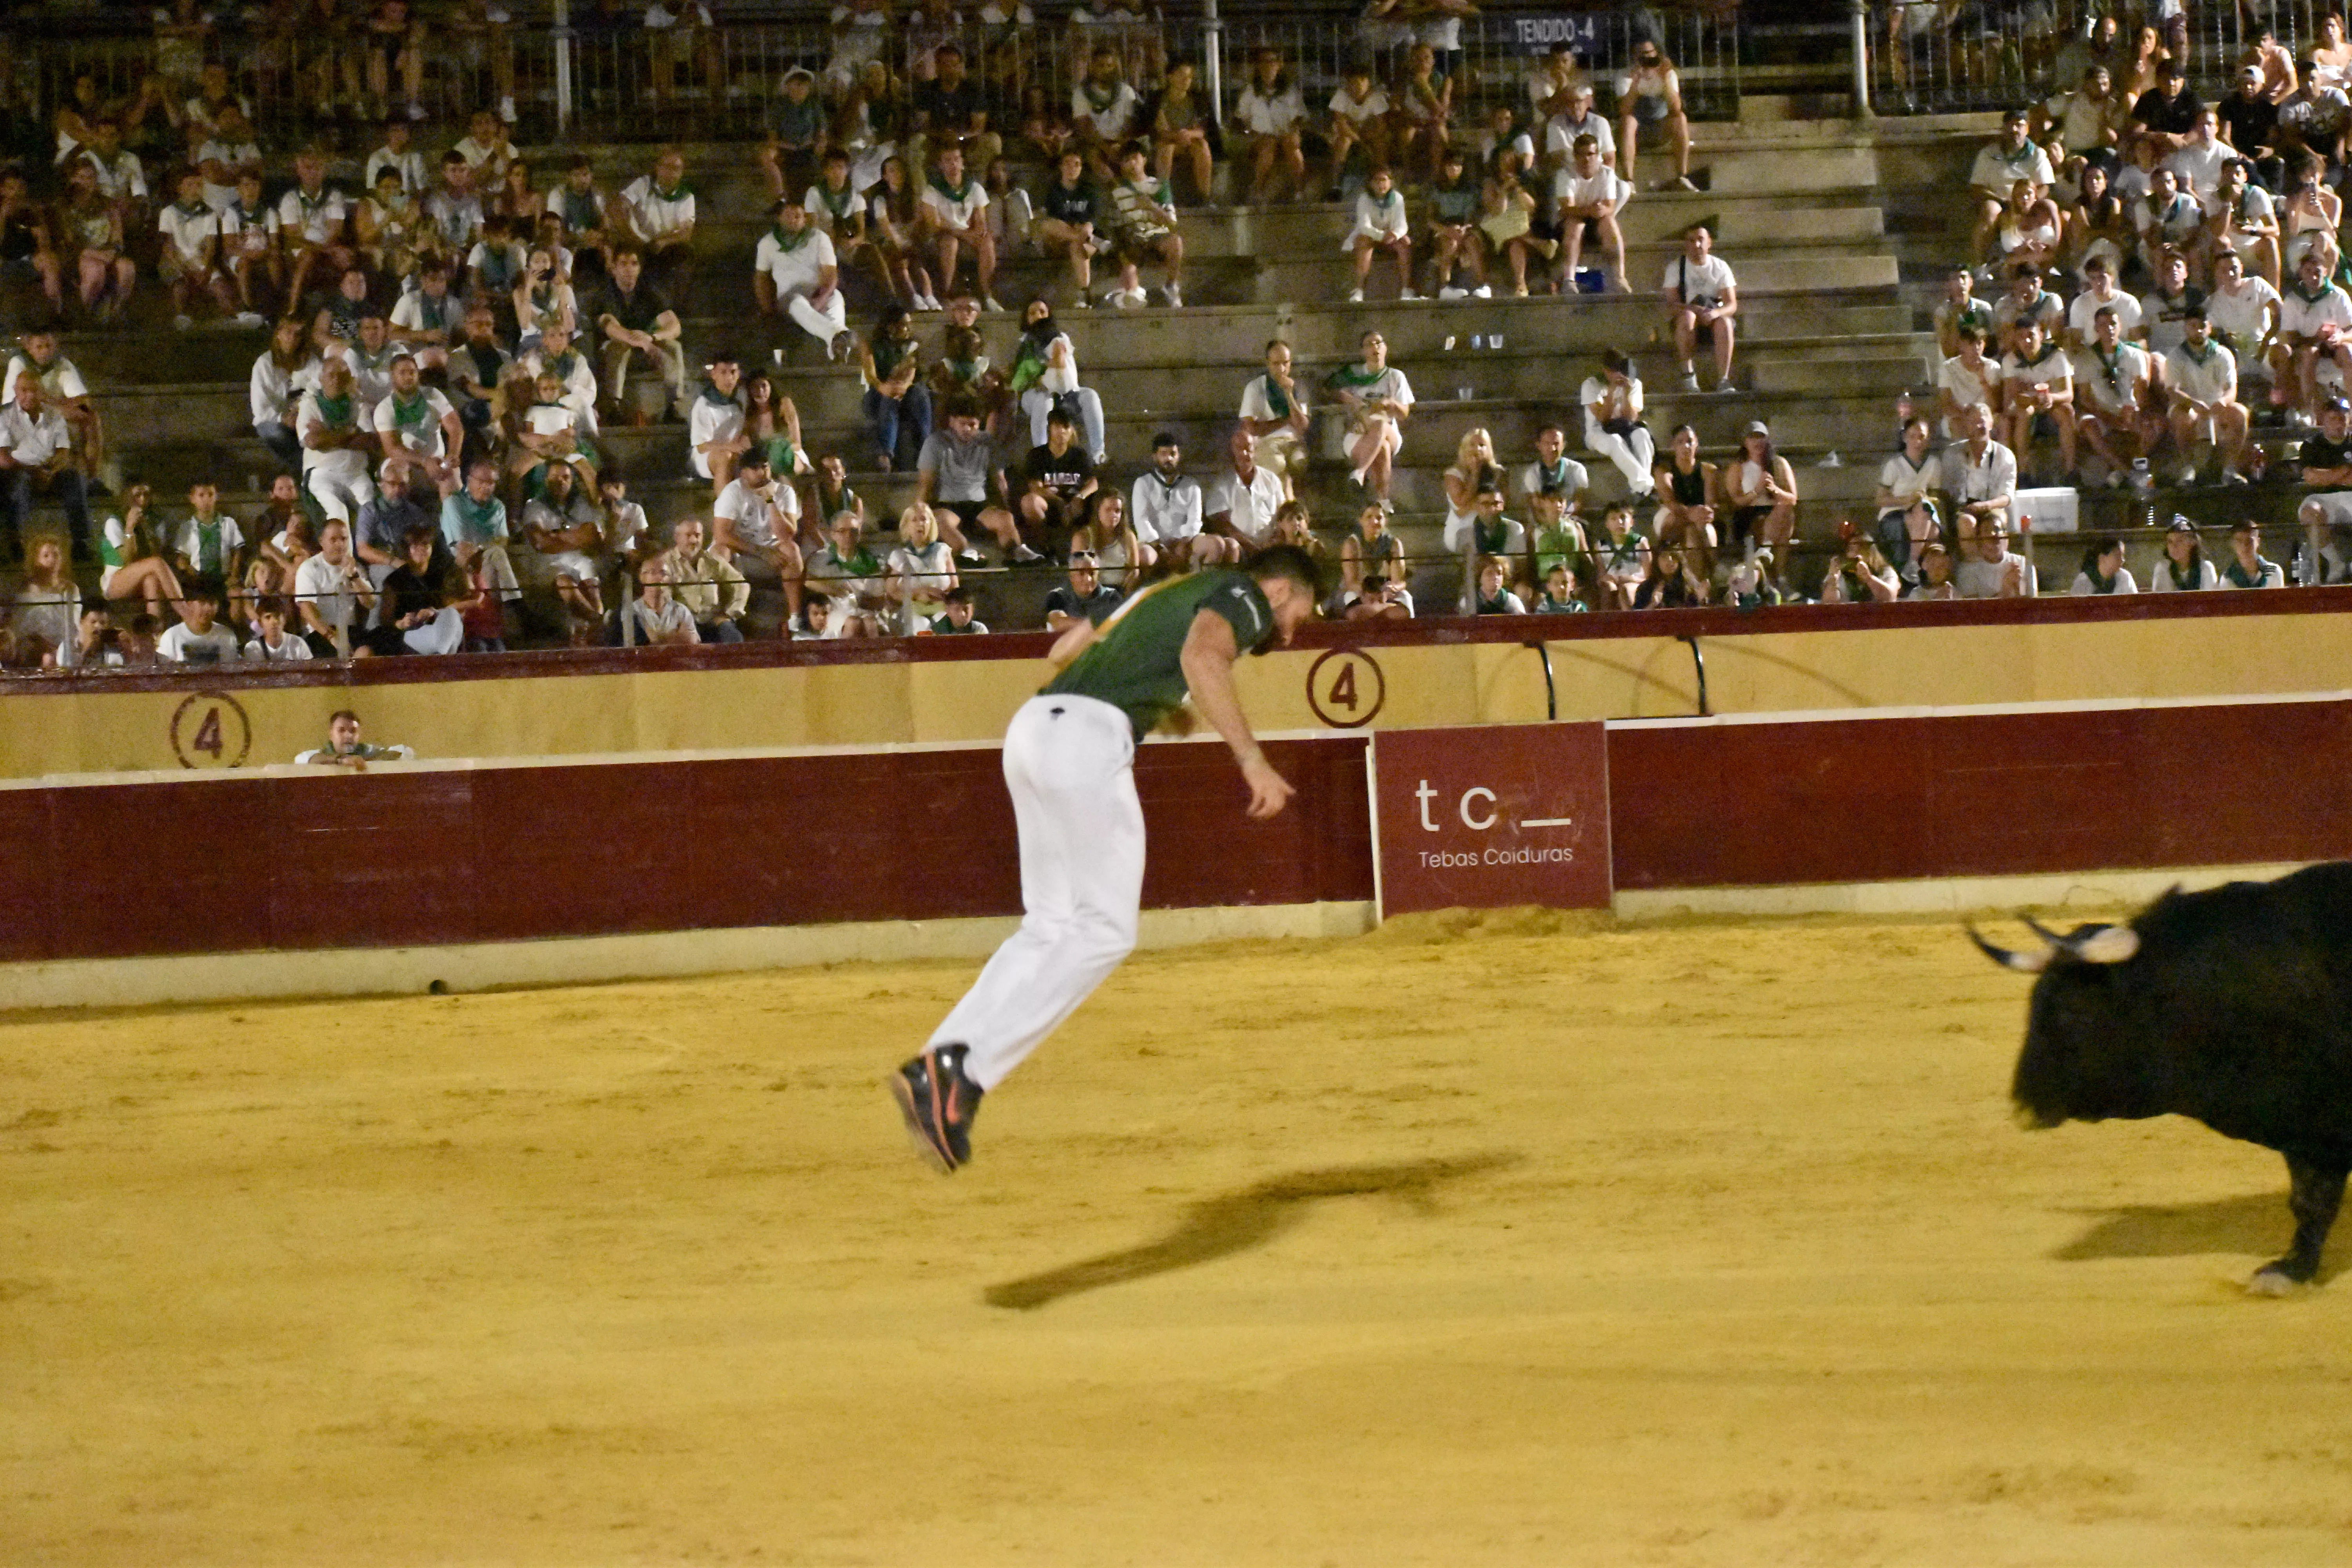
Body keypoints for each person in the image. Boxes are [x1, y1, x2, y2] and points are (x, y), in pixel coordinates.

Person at [890, 544, 1323, 1172]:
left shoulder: (1158, 592)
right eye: (1297, 616)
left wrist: (1154, 700)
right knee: (1106, 932)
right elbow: (1203, 656)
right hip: (1086, 742)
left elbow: (1061, 652)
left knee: (1048, 928)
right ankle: (961, 1076)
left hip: (1034, 730)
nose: (1287, 632)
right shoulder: (1243, 594)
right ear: (1281, 591)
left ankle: (940, 1060)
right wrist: (1252, 760)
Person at [0, 376, 91, 560]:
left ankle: (80, 542)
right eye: (24, 391)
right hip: (19, 471)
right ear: (16, 392)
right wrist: (31, 471)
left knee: (74, 479)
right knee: (19, 483)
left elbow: (63, 451)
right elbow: (3, 458)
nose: (30, 396)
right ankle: (16, 544)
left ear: (41, 392)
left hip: (49, 470)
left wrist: (52, 470)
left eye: (34, 390)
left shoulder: (54, 416)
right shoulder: (5, 417)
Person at [2074, 303, 2158, 486]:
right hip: (2100, 410)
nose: (2109, 329)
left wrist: (2135, 410)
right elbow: (2086, 398)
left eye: (2113, 324)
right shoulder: (2086, 358)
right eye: (2103, 325)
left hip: (2128, 408)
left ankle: (2124, 471)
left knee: (2153, 425)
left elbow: (2141, 393)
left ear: (2120, 326)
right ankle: (2128, 473)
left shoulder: (2135, 355)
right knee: (2089, 427)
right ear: (2096, 329)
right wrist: (2109, 417)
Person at [2166, 306, 2250, 486]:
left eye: (2202, 326)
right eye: (2192, 326)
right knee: (2183, 416)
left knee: (2240, 413)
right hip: (2188, 404)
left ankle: (2229, 470)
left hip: (2216, 405)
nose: (2198, 331)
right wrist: (2192, 402)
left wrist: (2223, 401)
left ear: (2209, 328)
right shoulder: (2175, 356)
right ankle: (2188, 468)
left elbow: (2231, 390)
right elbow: (2172, 391)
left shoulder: (2223, 353)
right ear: (2185, 328)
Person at [1325, 329, 1413, 501]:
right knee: (1383, 449)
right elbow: (1329, 390)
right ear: (1363, 351)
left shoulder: (1396, 377)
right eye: (1370, 344)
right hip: (1358, 433)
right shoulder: (1354, 375)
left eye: (1379, 343)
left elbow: (1404, 413)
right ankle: (1382, 502)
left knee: (1380, 425)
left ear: (1386, 348)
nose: (1375, 348)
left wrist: (1392, 404)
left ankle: (1360, 472)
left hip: (1389, 431)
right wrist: (1348, 399)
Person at [1105, 139, 1183, 309]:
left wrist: (1151, 207)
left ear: (1144, 160)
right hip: (1131, 240)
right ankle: (1128, 294)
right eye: (1126, 161)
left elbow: (1171, 223)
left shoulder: (1160, 187)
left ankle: (1171, 286)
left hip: (1156, 237)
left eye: (1135, 158)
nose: (1132, 164)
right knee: (1127, 254)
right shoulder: (1118, 190)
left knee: (1176, 242)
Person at [2000, 319, 2078, 482]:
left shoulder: (2056, 356)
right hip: (2027, 405)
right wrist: (2030, 400)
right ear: (2016, 339)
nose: (2027, 341)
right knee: (2024, 413)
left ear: (2041, 336)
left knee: (2068, 411)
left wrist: (2051, 398)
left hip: (2052, 405)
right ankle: (2024, 473)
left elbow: (2068, 394)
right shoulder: (2011, 360)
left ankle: (2071, 471)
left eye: (2031, 335)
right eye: (2021, 337)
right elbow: (2012, 397)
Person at [1662, 223, 1736, 393]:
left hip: (1713, 316)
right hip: (1688, 317)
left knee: (1725, 323)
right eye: (1692, 241)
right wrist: (1694, 310)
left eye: (1701, 240)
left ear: (1709, 243)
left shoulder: (1720, 267)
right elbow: (1672, 305)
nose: (1697, 245)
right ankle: (1688, 375)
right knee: (1688, 317)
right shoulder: (1676, 268)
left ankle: (1724, 380)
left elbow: (1732, 304)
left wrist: (1716, 312)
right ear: (1686, 244)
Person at [1554, 133, 1630, 294]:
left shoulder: (1607, 174)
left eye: (1590, 154)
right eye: (1582, 154)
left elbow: (1610, 206)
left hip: (1597, 220)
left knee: (1610, 223)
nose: (1586, 159)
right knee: (1576, 225)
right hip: (1572, 221)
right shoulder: (1565, 174)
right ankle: (1569, 280)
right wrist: (1591, 210)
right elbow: (1567, 209)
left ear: (1598, 155)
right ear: (1575, 156)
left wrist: (1603, 211)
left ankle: (1619, 277)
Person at [1129, 432, 1217, 570]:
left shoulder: (1192, 485)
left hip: (1186, 542)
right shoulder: (1143, 483)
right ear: (1155, 456)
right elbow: (1141, 521)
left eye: (1173, 454)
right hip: (1154, 544)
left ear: (1179, 456)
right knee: (1145, 555)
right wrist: (1160, 547)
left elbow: (1195, 520)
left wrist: (1184, 542)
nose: (1169, 459)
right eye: (1163, 454)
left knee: (1215, 545)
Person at [1618, 34, 1695, 192]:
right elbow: (1624, 111)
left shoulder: (1667, 74)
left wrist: (1665, 79)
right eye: (1642, 54)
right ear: (1635, 56)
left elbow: (1676, 108)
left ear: (1657, 54)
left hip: (1661, 128)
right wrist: (1636, 83)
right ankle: (1629, 180)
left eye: (1650, 53)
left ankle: (1682, 176)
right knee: (1628, 121)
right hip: (1637, 131)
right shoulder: (1626, 76)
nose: (1647, 58)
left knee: (1681, 118)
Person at [1031, 149, 1107, 307]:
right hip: (1059, 239)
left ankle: (1084, 294)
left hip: (1085, 241)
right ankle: (1089, 239)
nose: (1072, 168)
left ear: (1081, 168)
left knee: (1077, 245)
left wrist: (1088, 226)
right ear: (1061, 167)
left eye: (1077, 165)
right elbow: (1049, 218)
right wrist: (1076, 228)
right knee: (1049, 225)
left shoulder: (1090, 190)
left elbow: (1096, 217)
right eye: (1068, 163)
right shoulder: (1053, 191)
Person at [1236, 48, 1307, 205]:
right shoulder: (1250, 92)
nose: (1268, 66)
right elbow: (1241, 119)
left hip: (1285, 135)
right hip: (1260, 137)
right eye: (1263, 62)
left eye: (1272, 62)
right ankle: (1258, 190)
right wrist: (1251, 133)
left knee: (1292, 147)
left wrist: (1294, 132)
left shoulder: (1290, 91)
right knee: (1268, 145)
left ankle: (1300, 190)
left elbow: (1299, 116)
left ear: (1279, 65)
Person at [1238, 340, 1311, 492]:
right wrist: (1285, 421)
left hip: (1293, 442)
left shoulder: (1298, 387)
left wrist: (1289, 395)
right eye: (1276, 364)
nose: (1282, 369)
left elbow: (1303, 426)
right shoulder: (1255, 388)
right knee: (1278, 465)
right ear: (1268, 363)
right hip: (1267, 442)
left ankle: (1288, 507)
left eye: (1286, 363)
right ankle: (1288, 508)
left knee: (1299, 462)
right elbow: (1250, 428)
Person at [1205, 426, 1287, 555]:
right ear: (1233, 452)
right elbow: (1223, 524)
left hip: (1272, 545)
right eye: (1239, 449)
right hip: (1240, 547)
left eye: (1248, 448)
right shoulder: (1222, 484)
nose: (1244, 454)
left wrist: (1272, 542)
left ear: (1255, 450)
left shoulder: (1271, 480)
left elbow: (1283, 514)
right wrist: (1249, 545)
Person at [1582, 348, 1653, 492]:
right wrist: (1612, 392)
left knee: (1643, 435)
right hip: (1598, 433)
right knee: (1615, 441)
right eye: (1613, 370)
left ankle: (1640, 488)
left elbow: (1632, 418)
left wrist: (1626, 394)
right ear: (1605, 371)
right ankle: (1645, 487)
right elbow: (1603, 418)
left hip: (1625, 428)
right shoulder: (1591, 385)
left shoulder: (1634, 384)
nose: (1618, 374)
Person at [2298, 396, 2352, 584]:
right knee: (2310, 513)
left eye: (2342, 419)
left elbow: (2321, 478)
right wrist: (2344, 471)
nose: (2339, 424)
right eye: (2333, 420)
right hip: (2323, 498)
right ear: (2323, 422)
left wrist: (2327, 477)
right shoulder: (2311, 446)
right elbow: (2311, 478)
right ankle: (2336, 563)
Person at [1344, 166, 1414, 304]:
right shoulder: (1365, 199)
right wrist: (1381, 236)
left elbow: (1402, 224)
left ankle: (1407, 289)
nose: (1381, 184)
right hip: (1372, 236)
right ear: (1371, 183)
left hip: (1391, 237)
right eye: (1377, 181)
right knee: (1363, 243)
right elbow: (1365, 226)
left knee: (1405, 243)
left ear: (1390, 182)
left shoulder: (1397, 198)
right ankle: (1359, 290)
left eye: (1384, 180)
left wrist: (1394, 234)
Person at [156, 582, 242, 665]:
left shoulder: (227, 635)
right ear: (189, 604)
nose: (208, 608)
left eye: (212, 603)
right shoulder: (172, 636)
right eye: (203, 603)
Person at [624, 555, 700, 645]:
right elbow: (639, 646)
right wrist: (677, 637)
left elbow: (692, 641)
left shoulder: (681, 610)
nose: (659, 578)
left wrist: (657, 639)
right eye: (653, 573)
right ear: (642, 578)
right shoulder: (632, 611)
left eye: (664, 573)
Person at [2148, 515, 2216, 592]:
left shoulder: (2206, 568)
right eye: (2170, 542)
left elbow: (2211, 599)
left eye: (2180, 541)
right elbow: (2160, 600)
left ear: (2193, 542)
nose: (2174, 546)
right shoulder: (2163, 568)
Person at [2223, 518, 2287, 588]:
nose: (2244, 546)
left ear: (2258, 542)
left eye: (2250, 541)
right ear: (2233, 544)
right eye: (2239, 541)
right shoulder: (2228, 578)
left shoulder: (2273, 572)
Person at [2070, 534, 2138, 595]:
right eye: (2117, 556)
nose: (2122, 560)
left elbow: (2134, 604)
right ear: (2102, 558)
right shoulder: (2084, 581)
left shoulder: (2125, 577)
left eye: (2122, 556)